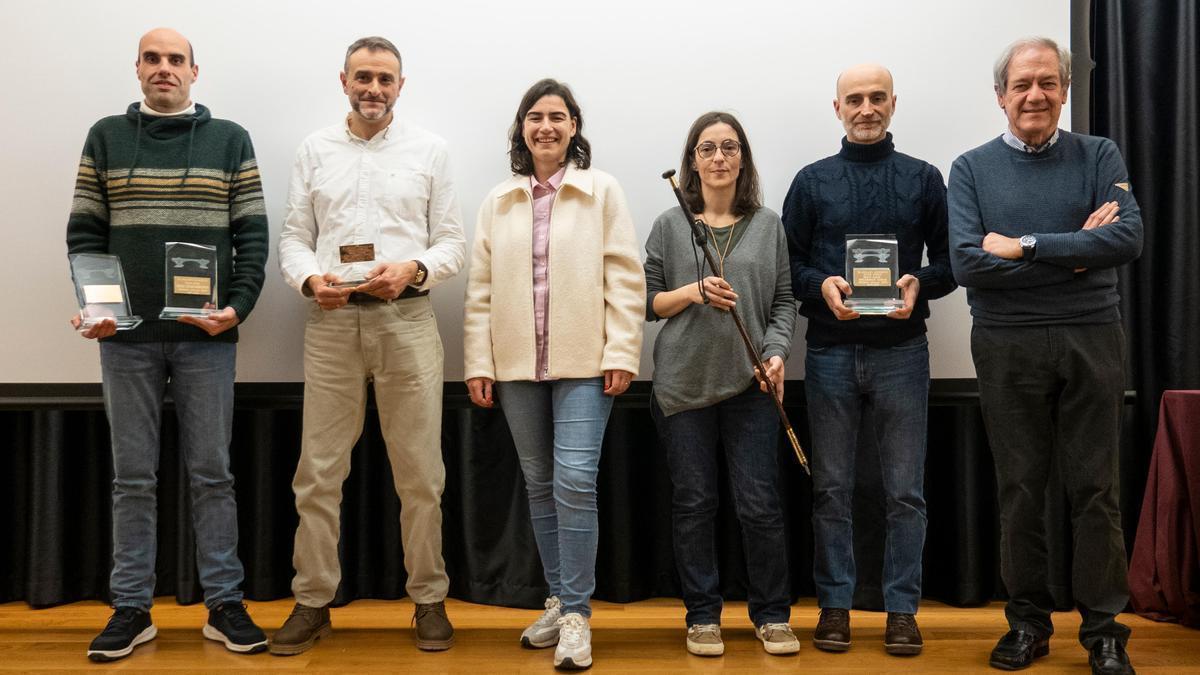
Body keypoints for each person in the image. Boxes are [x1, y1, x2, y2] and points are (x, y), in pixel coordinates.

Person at [66, 27, 270, 662]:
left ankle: (223, 604)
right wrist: (97, 311)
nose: (164, 69)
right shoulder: (105, 136)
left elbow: (253, 238)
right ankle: (131, 608)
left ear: (194, 71)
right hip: (125, 340)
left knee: (212, 473)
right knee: (133, 479)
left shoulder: (230, 140)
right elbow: (84, 234)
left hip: (205, 340)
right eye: (152, 59)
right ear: (138, 69)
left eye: (175, 60)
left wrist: (236, 308)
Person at [948, 37, 1142, 675]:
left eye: (1047, 83)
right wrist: (1076, 250)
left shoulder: (1099, 154)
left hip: (1093, 335)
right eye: (1022, 85)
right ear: (1001, 96)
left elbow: (1128, 237)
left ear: (1064, 90)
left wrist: (1026, 246)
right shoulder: (971, 168)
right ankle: (1027, 625)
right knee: (1021, 490)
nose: (1035, 95)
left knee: (1096, 490)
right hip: (1007, 343)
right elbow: (969, 262)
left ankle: (1104, 631)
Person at [274, 36, 465, 655]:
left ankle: (429, 600)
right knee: (318, 474)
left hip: (407, 323)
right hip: (331, 327)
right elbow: (295, 237)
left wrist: (412, 269)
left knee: (420, 474)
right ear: (344, 80)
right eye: (363, 77)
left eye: (385, 78)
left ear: (400, 86)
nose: (373, 88)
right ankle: (312, 601)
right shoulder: (314, 150)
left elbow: (453, 245)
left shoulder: (430, 151)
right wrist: (309, 279)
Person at [463, 78, 645, 670]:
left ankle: (577, 616)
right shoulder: (499, 201)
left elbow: (624, 278)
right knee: (540, 486)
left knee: (573, 482)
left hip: (584, 364)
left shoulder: (602, 192)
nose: (546, 126)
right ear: (522, 128)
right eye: (535, 116)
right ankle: (559, 598)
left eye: (558, 117)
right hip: (516, 365)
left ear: (573, 127)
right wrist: (478, 362)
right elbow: (481, 292)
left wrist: (621, 351)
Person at [782, 63, 956, 657]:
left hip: (903, 354)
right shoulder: (810, 182)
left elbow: (953, 261)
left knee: (905, 492)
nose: (865, 108)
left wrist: (918, 284)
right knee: (831, 489)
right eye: (853, 99)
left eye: (876, 98)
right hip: (829, 352)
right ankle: (835, 605)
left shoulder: (925, 178)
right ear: (837, 108)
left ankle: (901, 610)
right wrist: (823, 285)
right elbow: (791, 266)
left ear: (893, 104)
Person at [645, 112, 800, 657]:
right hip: (682, 387)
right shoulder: (670, 223)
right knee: (694, 504)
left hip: (750, 386)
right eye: (707, 148)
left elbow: (784, 301)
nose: (718, 158)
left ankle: (773, 614)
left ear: (742, 158)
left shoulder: (768, 223)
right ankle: (703, 616)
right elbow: (647, 302)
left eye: (729, 147)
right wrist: (692, 291)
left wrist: (777, 354)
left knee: (759, 505)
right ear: (692, 159)